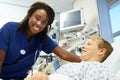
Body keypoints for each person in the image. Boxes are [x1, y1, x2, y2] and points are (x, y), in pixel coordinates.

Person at [0, 1, 81, 79]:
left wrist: (84, 61)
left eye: (44, 22)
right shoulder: (9, 29)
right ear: (29, 15)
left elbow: (64, 54)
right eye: (37, 18)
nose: (39, 23)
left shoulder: (42, 39)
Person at [25, 36, 115, 80]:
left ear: (101, 51)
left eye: (89, 44)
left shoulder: (97, 67)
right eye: (84, 44)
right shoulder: (76, 65)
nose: (83, 47)